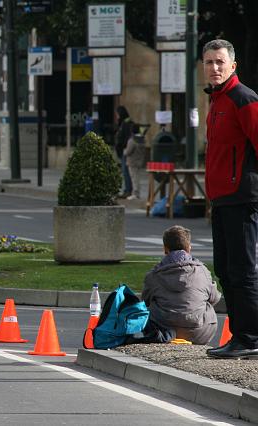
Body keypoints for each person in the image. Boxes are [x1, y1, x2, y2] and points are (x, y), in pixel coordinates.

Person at [202, 39, 258, 359]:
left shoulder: (243, 98)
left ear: (232, 66)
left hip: (241, 197)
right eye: (209, 62)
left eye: (220, 62)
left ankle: (250, 336)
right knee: (225, 269)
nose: (215, 68)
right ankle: (240, 336)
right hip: (221, 199)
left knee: (243, 270)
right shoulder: (217, 101)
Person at [142, 226, 221, 345]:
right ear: (189, 248)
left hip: (163, 332)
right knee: (207, 303)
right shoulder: (202, 271)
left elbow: (145, 301)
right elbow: (214, 298)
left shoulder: (153, 275)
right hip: (199, 334)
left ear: (165, 249)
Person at [115, 106, 134, 198]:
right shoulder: (126, 122)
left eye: (117, 114)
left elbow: (123, 138)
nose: (117, 116)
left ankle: (128, 190)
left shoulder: (125, 124)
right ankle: (127, 189)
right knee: (126, 171)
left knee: (126, 171)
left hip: (125, 150)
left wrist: (121, 147)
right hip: (124, 149)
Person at [123, 125, 146, 200]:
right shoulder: (142, 139)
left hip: (132, 162)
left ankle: (135, 194)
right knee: (137, 178)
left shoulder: (132, 140)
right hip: (140, 161)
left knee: (134, 178)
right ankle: (137, 193)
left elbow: (128, 152)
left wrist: (124, 151)